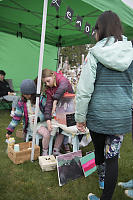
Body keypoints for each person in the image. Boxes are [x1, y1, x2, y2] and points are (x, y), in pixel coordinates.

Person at [75, 11, 133, 200]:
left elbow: (84, 91)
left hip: (97, 116)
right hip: (121, 116)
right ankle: (105, 192)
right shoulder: (131, 53)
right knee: (112, 157)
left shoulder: (94, 53)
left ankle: (102, 181)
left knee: (100, 151)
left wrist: (80, 118)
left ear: (100, 29)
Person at [6, 79, 63, 156]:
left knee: (60, 129)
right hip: (33, 125)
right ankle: (45, 152)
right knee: (46, 134)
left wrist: (40, 118)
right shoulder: (21, 102)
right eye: (25, 94)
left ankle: (56, 149)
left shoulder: (40, 99)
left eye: (29, 94)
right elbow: (16, 117)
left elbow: (47, 111)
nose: (27, 96)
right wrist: (10, 130)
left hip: (44, 120)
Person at [41, 68, 74, 153]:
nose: (47, 84)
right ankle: (59, 147)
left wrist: (55, 100)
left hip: (69, 105)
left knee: (68, 125)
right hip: (61, 108)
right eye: (45, 83)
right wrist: (48, 120)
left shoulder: (61, 78)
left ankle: (66, 144)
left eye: (48, 81)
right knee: (62, 125)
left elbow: (63, 85)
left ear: (53, 75)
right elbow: (48, 104)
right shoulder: (48, 89)